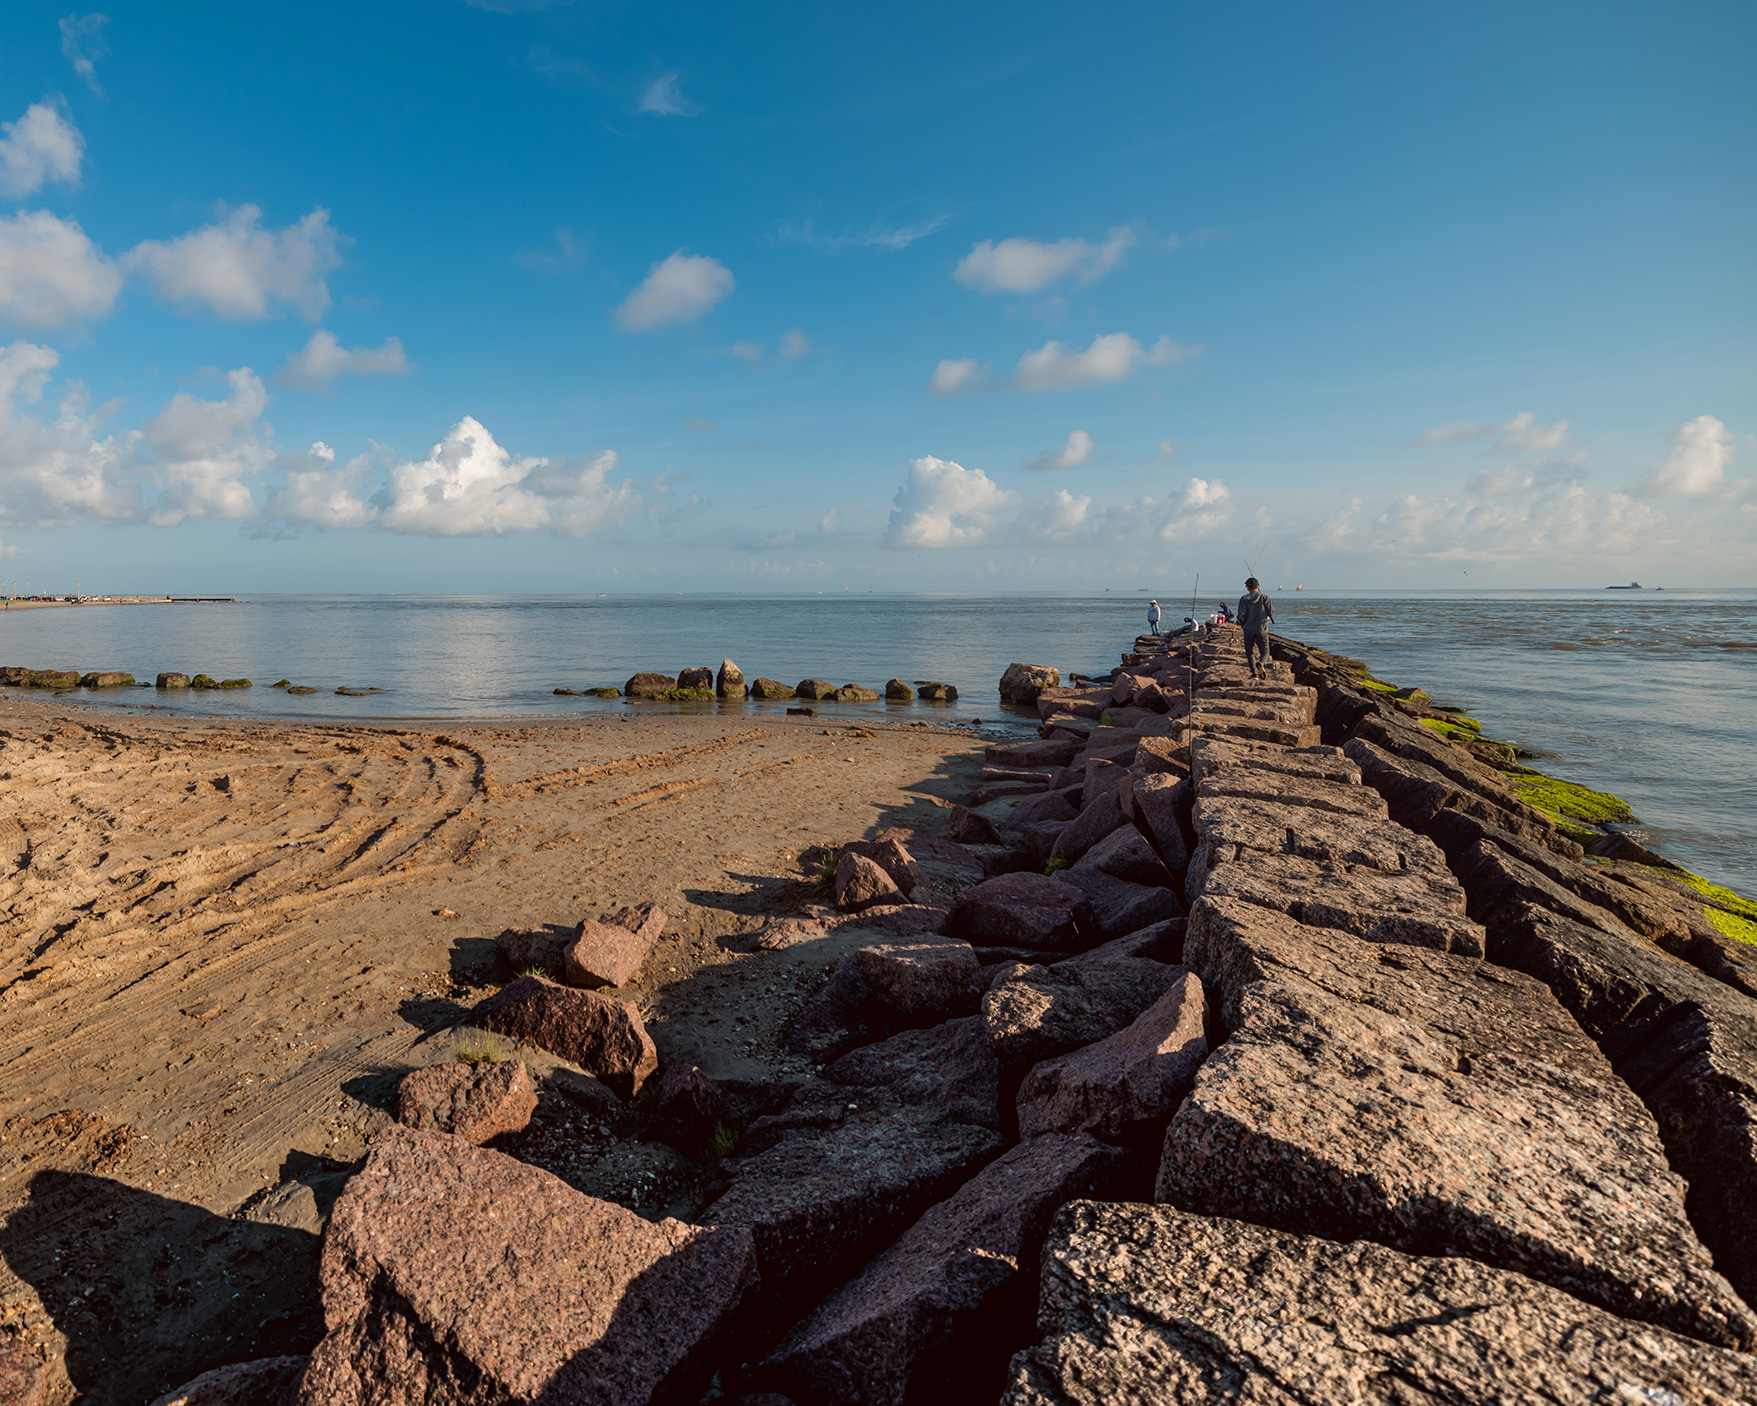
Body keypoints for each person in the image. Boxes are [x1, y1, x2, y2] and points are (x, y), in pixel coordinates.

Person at [1237, 576, 1274, 679]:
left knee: (1250, 652)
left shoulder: (1243, 599)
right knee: (1265, 651)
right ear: (1258, 586)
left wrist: (1240, 621)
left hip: (1248, 629)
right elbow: (1271, 613)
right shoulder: (1265, 598)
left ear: (1247, 587)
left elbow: (1240, 616)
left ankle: (1254, 673)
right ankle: (1262, 663)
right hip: (1261, 629)